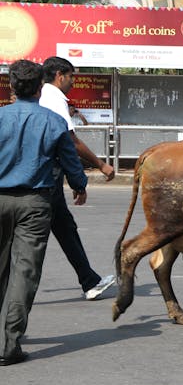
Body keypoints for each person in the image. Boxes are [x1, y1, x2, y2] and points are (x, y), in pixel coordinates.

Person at [0, 60, 88, 366]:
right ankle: (9, 344)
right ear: (41, 88)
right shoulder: (53, 121)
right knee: (25, 272)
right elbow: (70, 162)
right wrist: (79, 185)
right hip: (36, 203)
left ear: (12, 86)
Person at [39, 57, 116, 300]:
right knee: (35, 237)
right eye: (71, 76)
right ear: (60, 75)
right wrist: (100, 165)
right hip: (46, 177)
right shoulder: (54, 99)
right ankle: (89, 281)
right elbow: (69, 142)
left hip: (42, 176)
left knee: (65, 228)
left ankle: (89, 281)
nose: (73, 82)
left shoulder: (45, 97)